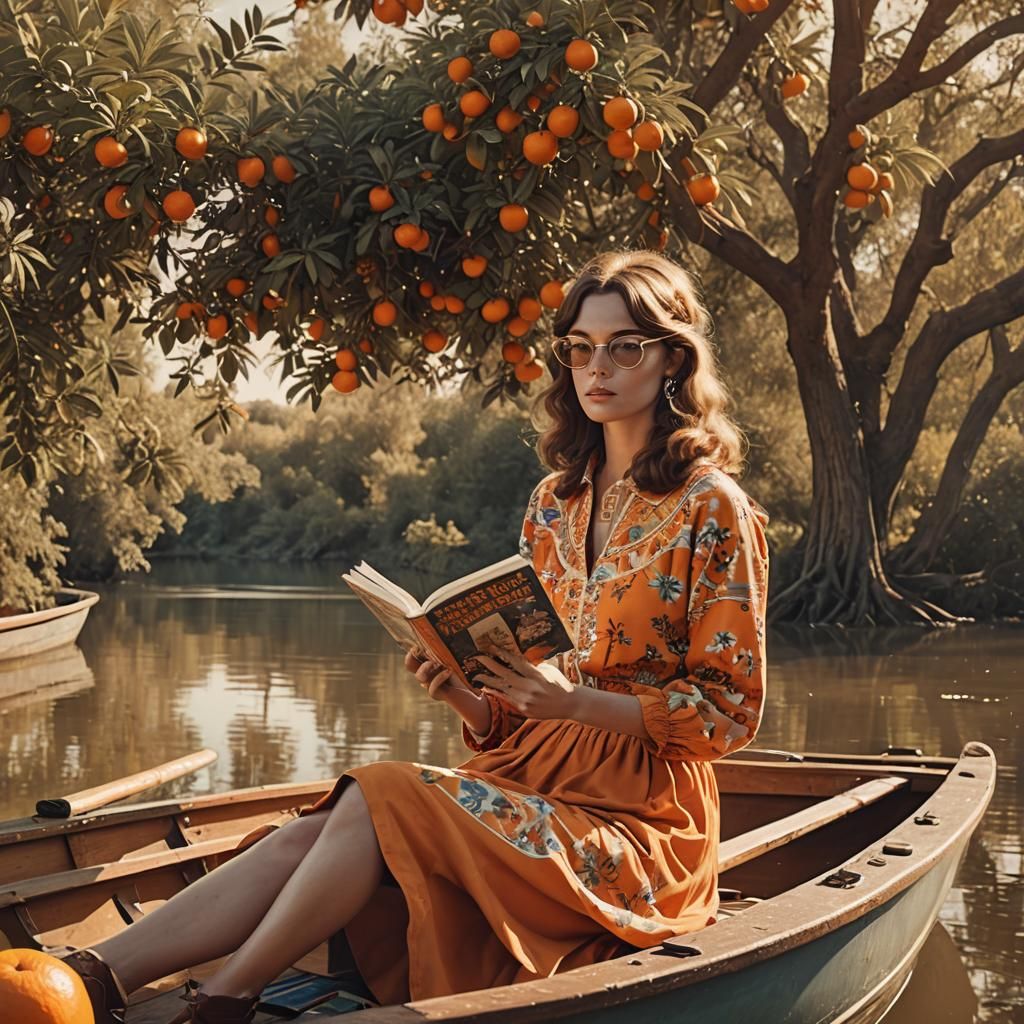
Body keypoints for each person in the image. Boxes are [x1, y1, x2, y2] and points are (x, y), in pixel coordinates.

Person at [62, 248, 770, 1024]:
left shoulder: (714, 507)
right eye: (579, 348)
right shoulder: (552, 503)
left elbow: (728, 716)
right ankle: (94, 974)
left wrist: (578, 706)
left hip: (644, 824)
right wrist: (469, 697)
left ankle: (226, 997)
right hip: (529, 776)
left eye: (624, 347)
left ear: (672, 358)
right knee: (330, 824)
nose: (596, 367)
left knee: (381, 793)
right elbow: (522, 705)